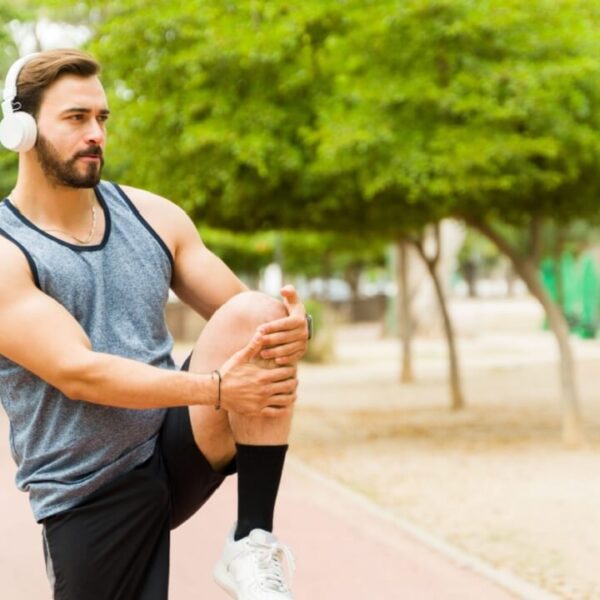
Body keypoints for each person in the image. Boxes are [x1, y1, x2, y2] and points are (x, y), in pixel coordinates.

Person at [0, 48, 310, 600]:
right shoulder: (7, 250)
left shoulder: (153, 216)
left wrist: (292, 327)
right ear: (21, 128)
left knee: (260, 316)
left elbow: (247, 321)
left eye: (102, 118)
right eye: (75, 118)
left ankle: (253, 539)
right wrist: (216, 389)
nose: (95, 133)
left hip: (173, 446)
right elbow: (80, 374)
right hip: (87, 491)